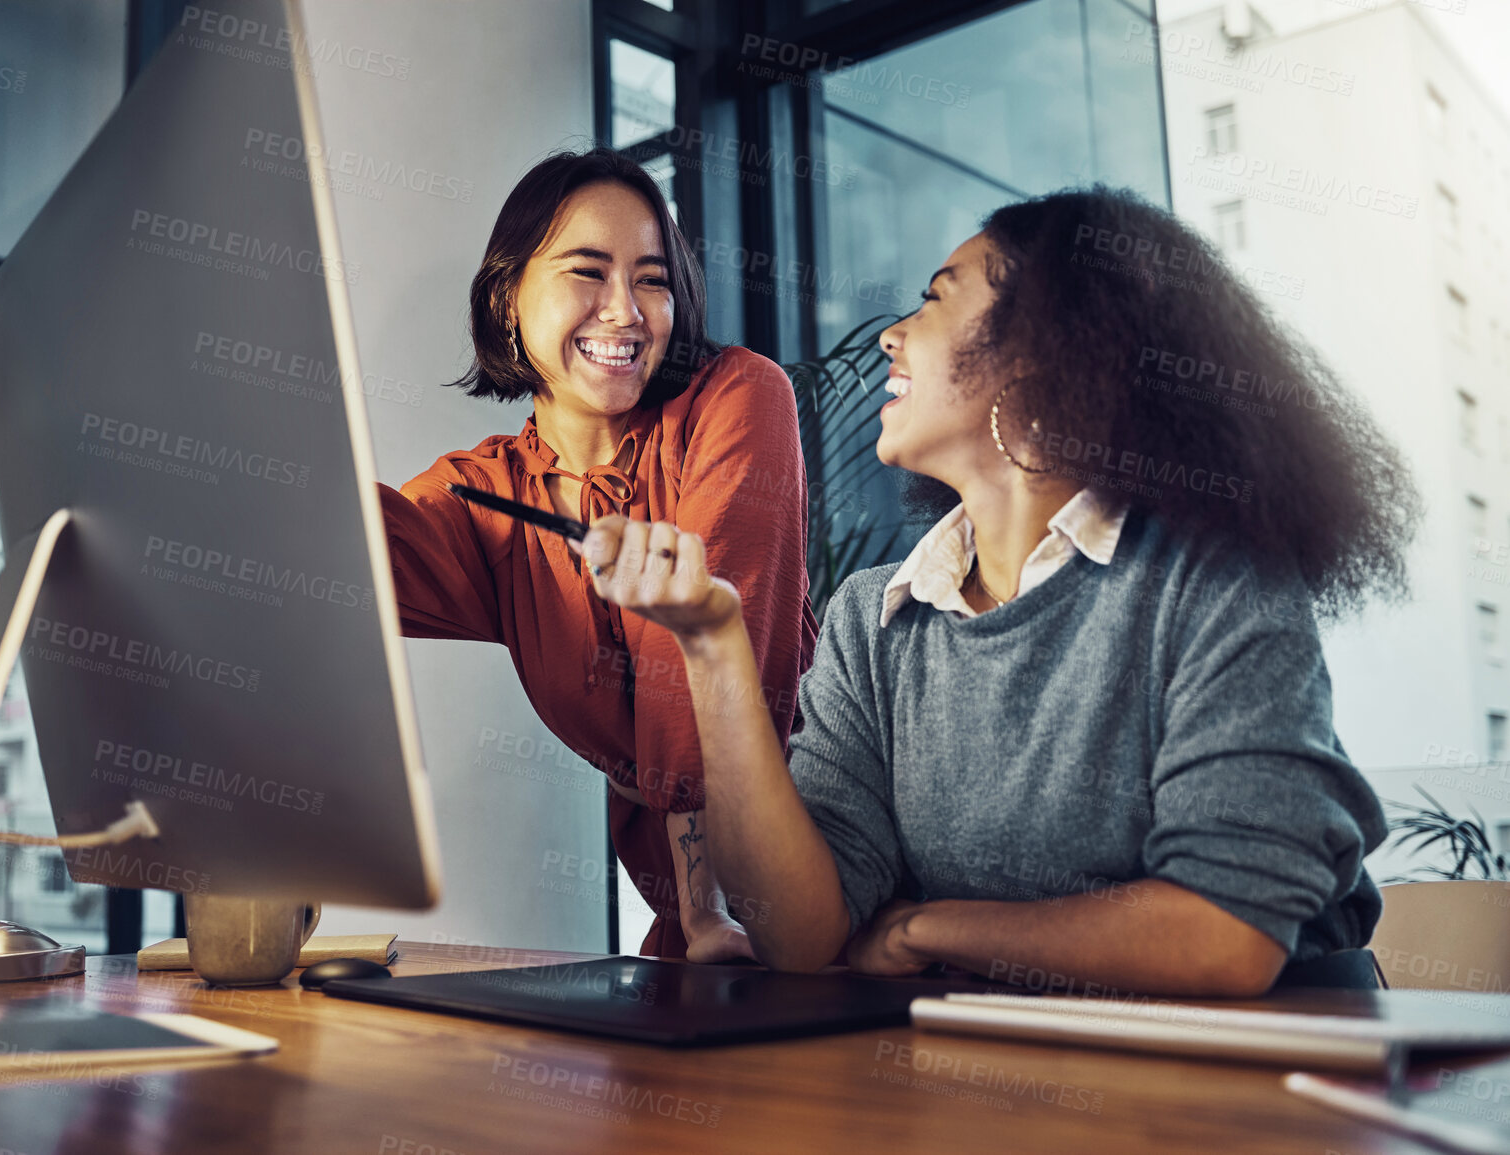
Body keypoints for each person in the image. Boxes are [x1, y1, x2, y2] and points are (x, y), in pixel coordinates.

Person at [573, 186, 1418, 995]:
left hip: (1265, 1088)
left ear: (1045, 352)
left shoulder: (1210, 580)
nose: (890, 338)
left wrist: (923, 930)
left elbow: (1224, 938)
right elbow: (799, 934)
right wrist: (711, 645)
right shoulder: (872, 620)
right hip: (1008, 1073)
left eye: (934, 300)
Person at [379, 147, 817, 961]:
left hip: (812, 884)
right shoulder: (484, 494)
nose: (625, 311)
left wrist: (702, 915)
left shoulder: (737, 395)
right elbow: (327, 562)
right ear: (507, 298)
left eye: (651, 279)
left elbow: (698, 661)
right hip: (696, 926)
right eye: (588, 271)